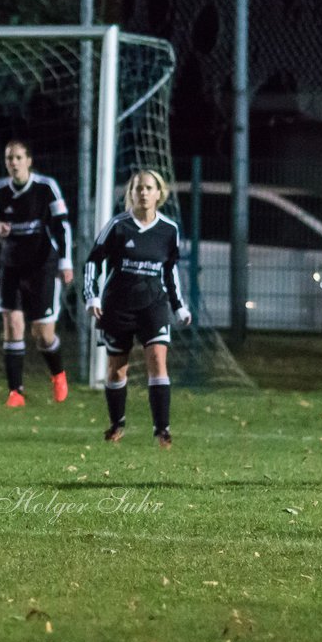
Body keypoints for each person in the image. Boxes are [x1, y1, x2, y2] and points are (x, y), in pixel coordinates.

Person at [83, 169, 191, 448]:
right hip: (118, 305)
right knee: (118, 369)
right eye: (137, 188)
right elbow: (93, 261)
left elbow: (170, 270)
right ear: (130, 194)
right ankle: (117, 424)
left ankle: (162, 430)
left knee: (158, 361)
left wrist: (179, 306)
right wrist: (92, 296)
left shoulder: (169, 229)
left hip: (154, 304)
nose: (143, 193)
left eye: (148, 188)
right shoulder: (118, 226)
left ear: (159, 194)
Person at [0, 139, 73, 407]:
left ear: (28, 161)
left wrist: (65, 261)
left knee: (43, 333)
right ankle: (16, 391)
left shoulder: (46, 187)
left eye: (17, 157)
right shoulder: (0, 189)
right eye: (8, 158)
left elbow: (62, 226)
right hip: (12, 264)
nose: (13, 162)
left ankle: (58, 374)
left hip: (42, 266)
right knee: (12, 324)